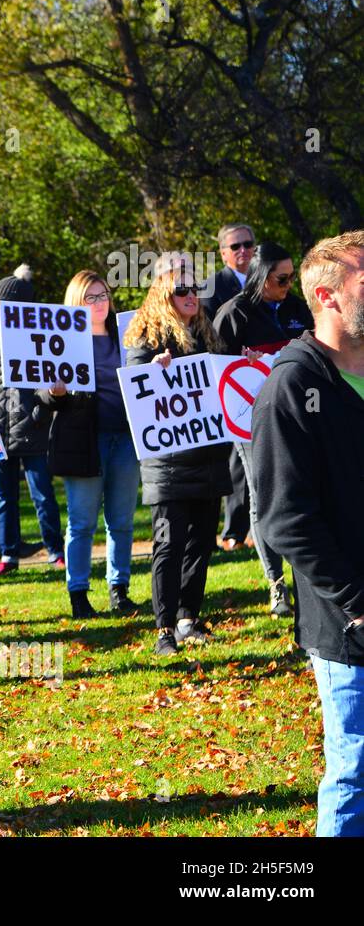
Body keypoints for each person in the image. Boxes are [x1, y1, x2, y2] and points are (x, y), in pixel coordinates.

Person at [253, 229, 364, 836]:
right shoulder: (292, 386)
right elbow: (285, 517)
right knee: (355, 771)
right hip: (349, 624)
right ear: (327, 295)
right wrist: (356, 605)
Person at [125, 253, 231, 656]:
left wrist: (245, 366)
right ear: (162, 294)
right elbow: (133, 392)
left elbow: (224, 381)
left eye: (195, 289)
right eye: (180, 289)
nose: (190, 295)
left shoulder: (209, 336)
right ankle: (164, 629)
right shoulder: (145, 339)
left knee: (201, 543)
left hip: (208, 458)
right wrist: (151, 371)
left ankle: (189, 618)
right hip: (167, 465)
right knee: (168, 547)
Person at [215, 243, 313, 618]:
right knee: (262, 494)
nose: (288, 285)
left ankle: (304, 576)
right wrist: (242, 363)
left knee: (300, 492)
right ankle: (276, 584)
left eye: (291, 277)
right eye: (281, 278)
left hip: (300, 415)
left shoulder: (295, 308)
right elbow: (217, 373)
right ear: (261, 276)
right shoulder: (233, 314)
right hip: (251, 424)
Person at [38, 271, 140, 618]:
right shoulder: (61, 341)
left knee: (122, 520)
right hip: (83, 441)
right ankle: (78, 594)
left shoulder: (127, 334)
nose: (98, 303)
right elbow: (41, 394)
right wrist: (55, 390)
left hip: (126, 437)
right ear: (75, 303)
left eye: (102, 295)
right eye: (89, 298)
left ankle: (119, 590)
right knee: (81, 522)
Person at [0, 271, 65, 575]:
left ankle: (55, 550)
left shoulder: (41, 334)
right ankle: (8, 554)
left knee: (43, 495)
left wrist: (41, 412)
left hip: (34, 429)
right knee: (5, 498)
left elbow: (53, 380)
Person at [205, 223, 258, 551]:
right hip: (228, 383)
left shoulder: (266, 281)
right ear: (223, 253)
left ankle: (257, 528)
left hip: (262, 380)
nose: (243, 251)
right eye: (235, 246)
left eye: (248, 244)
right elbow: (207, 336)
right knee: (235, 461)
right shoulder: (212, 288)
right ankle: (234, 531)